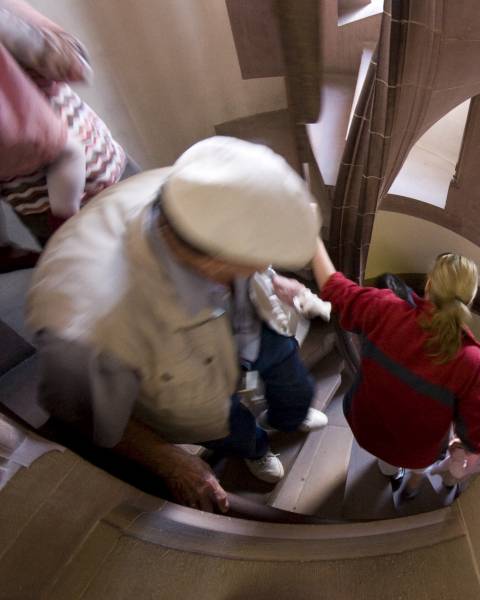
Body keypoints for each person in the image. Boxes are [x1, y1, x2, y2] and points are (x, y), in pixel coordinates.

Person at [27, 137, 325, 512]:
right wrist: (171, 461)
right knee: (233, 429)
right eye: (261, 258)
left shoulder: (197, 196)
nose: (267, 265)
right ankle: (257, 448)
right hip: (194, 394)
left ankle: (289, 415)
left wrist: (270, 278)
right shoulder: (85, 328)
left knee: (293, 381)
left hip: (252, 320)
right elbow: (84, 415)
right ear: (217, 262)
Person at [299, 244, 480, 491]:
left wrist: (315, 242)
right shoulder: (471, 362)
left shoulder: (385, 308)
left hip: (368, 428)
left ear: (428, 285)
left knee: (386, 462)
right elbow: (478, 431)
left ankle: (389, 472)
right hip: (419, 451)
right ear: (468, 301)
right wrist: (471, 452)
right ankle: (402, 477)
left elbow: (335, 288)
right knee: (416, 463)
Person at [0, 0, 127, 255]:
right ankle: (65, 228)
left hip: (29, 200)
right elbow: (75, 66)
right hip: (87, 185)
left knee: (82, 271)